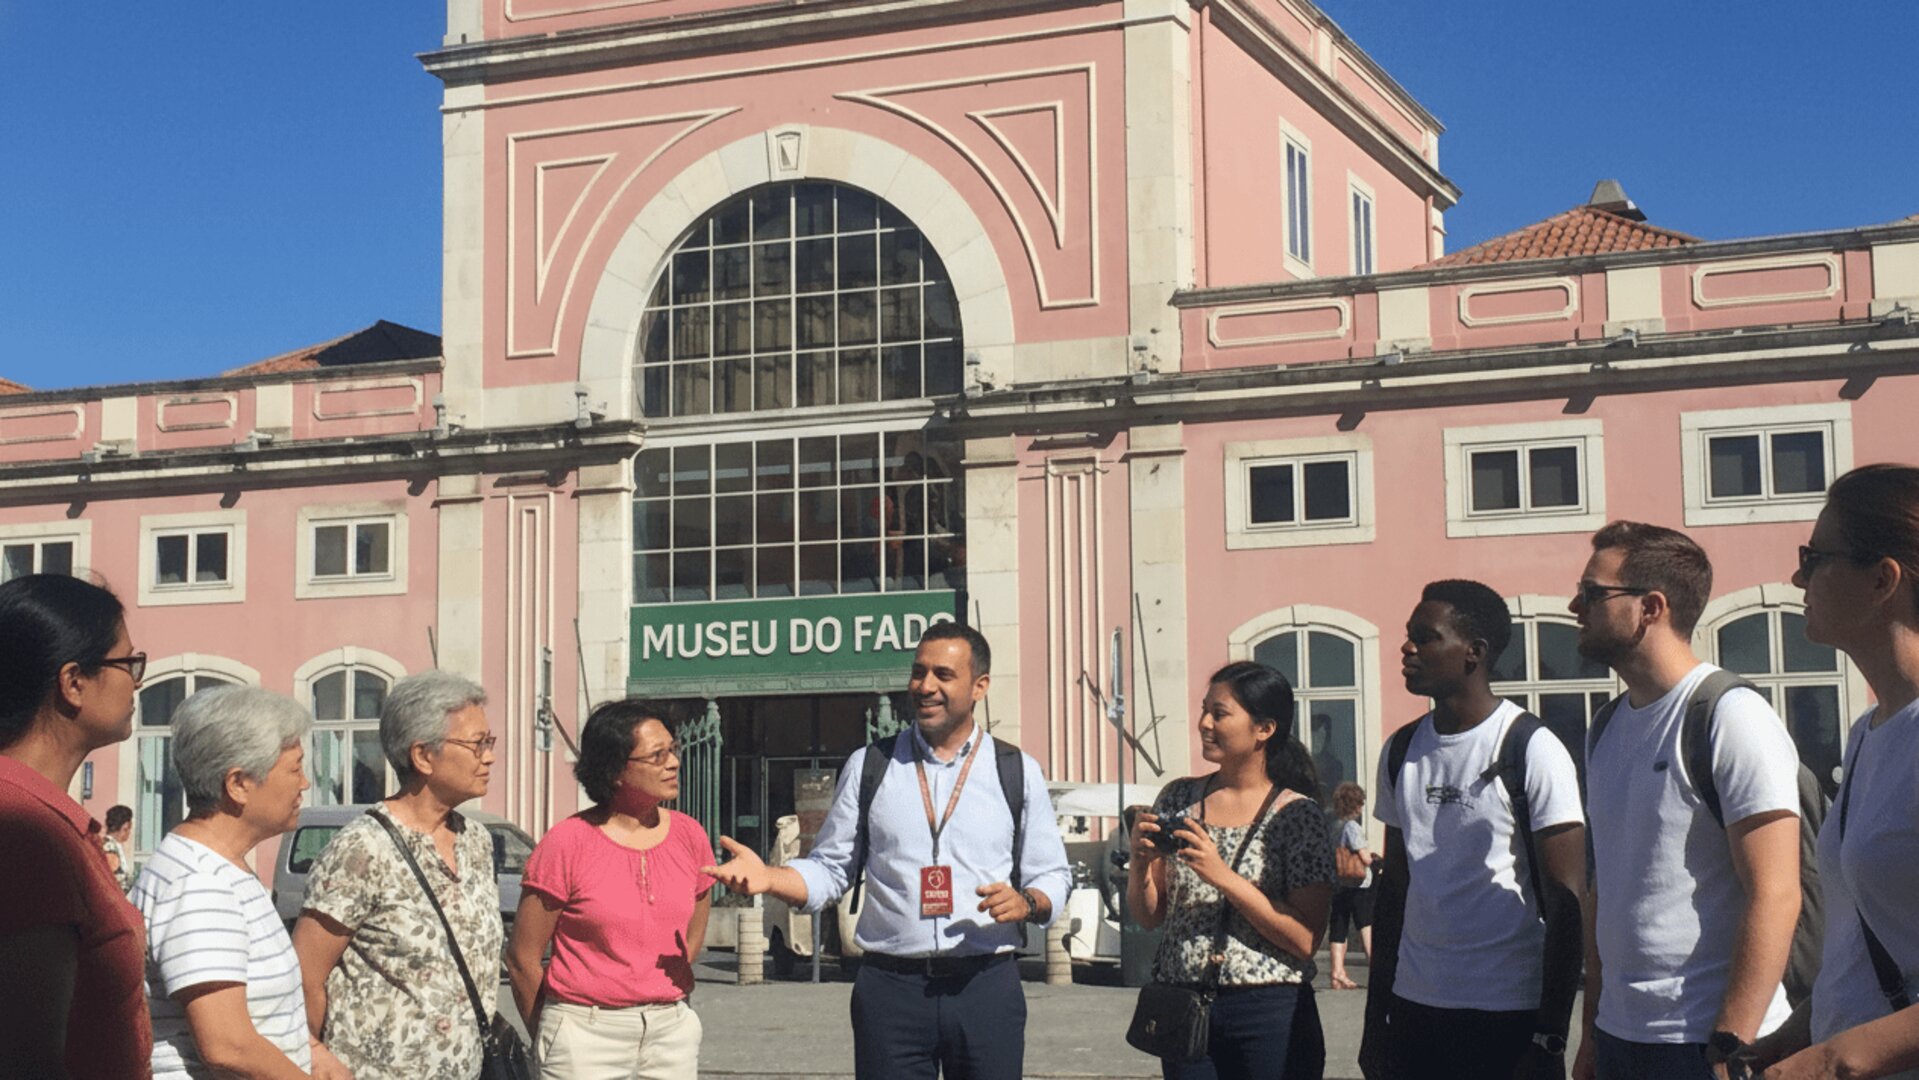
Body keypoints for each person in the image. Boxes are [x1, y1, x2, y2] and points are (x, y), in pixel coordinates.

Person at [703, 621, 1072, 1080]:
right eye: (918, 672)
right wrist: (770, 878)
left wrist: (1029, 902)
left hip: (985, 986)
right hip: (891, 992)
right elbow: (831, 870)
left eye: (943, 674)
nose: (925, 686)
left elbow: (1054, 873)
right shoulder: (870, 765)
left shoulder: (1015, 770)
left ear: (980, 686)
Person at [1571, 522, 1803, 1080]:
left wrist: (1732, 1046)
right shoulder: (1605, 727)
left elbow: (1776, 892)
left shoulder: (1729, 715)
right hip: (1620, 1035)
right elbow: (1609, 888)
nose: (1576, 605)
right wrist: (1593, 1030)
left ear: (1651, 607)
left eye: (1594, 593)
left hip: (1705, 1040)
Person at [1361, 580, 1587, 1080]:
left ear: (1474, 653)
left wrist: (1550, 1035)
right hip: (1416, 1009)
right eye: (1408, 635)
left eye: (1426, 637)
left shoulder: (1531, 747)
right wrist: (1375, 1023)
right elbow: (1394, 889)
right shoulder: (1401, 751)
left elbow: (1567, 900)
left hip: (1508, 1014)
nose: (1407, 648)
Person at [1762, 465, 1919, 1080]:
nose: (1798, 576)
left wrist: (1834, 1060)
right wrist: (1793, 1036)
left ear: (1883, 579)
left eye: (1816, 556)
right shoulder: (1867, 733)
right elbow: (1864, 941)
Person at [1128, 660, 1335, 1080]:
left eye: (1219, 713)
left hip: (1268, 1011)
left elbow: (1305, 940)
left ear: (1264, 729)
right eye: (1204, 710)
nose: (1204, 723)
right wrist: (1140, 864)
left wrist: (1221, 876)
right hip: (1183, 1004)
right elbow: (1150, 916)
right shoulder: (1179, 797)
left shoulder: (1296, 814)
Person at [292, 671, 503, 1080]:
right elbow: (305, 975)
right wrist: (313, 1054)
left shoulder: (475, 840)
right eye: (478, 745)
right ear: (423, 755)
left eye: (489, 743)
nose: (490, 757)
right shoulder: (362, 848)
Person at [508, 700, 712, 1079]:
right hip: (584, 1034)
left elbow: (693, 930)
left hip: (670, 1032)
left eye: (673, 750)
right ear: (616, 770)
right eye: (656, 755)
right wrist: (554, 1035)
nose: (672, 762)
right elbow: (522, 958)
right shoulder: (567, 843)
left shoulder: (690, 836)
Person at [0, 574, 152, 1077]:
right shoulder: (26, 830)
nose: (138, 680)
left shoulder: (45, 818)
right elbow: (28, 1059)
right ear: (73, 682)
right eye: (128, 663)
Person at [132, 685, 322, 1078]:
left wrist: (313, 1053)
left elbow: (261, 1012)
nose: (305, 783)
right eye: (294, 768)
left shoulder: (224, 866)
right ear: (238, 784)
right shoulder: (199, 883)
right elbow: (227, 1043)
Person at [1326, 783, 1376, 991]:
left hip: (1339, 883)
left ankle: (1337, 973)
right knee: (1366, 925)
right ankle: (1376, 971)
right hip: (1358, 884)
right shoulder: (1352, 827)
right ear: (1355, 805)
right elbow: (1363, 856)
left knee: (1339, 926)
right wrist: (1374, 859)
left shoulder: (1334, 826)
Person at [105, 804, 136, 891]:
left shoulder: (114, 845)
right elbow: (117, 880)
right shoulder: (109, 848)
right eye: (129, 828)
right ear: (125, 827)